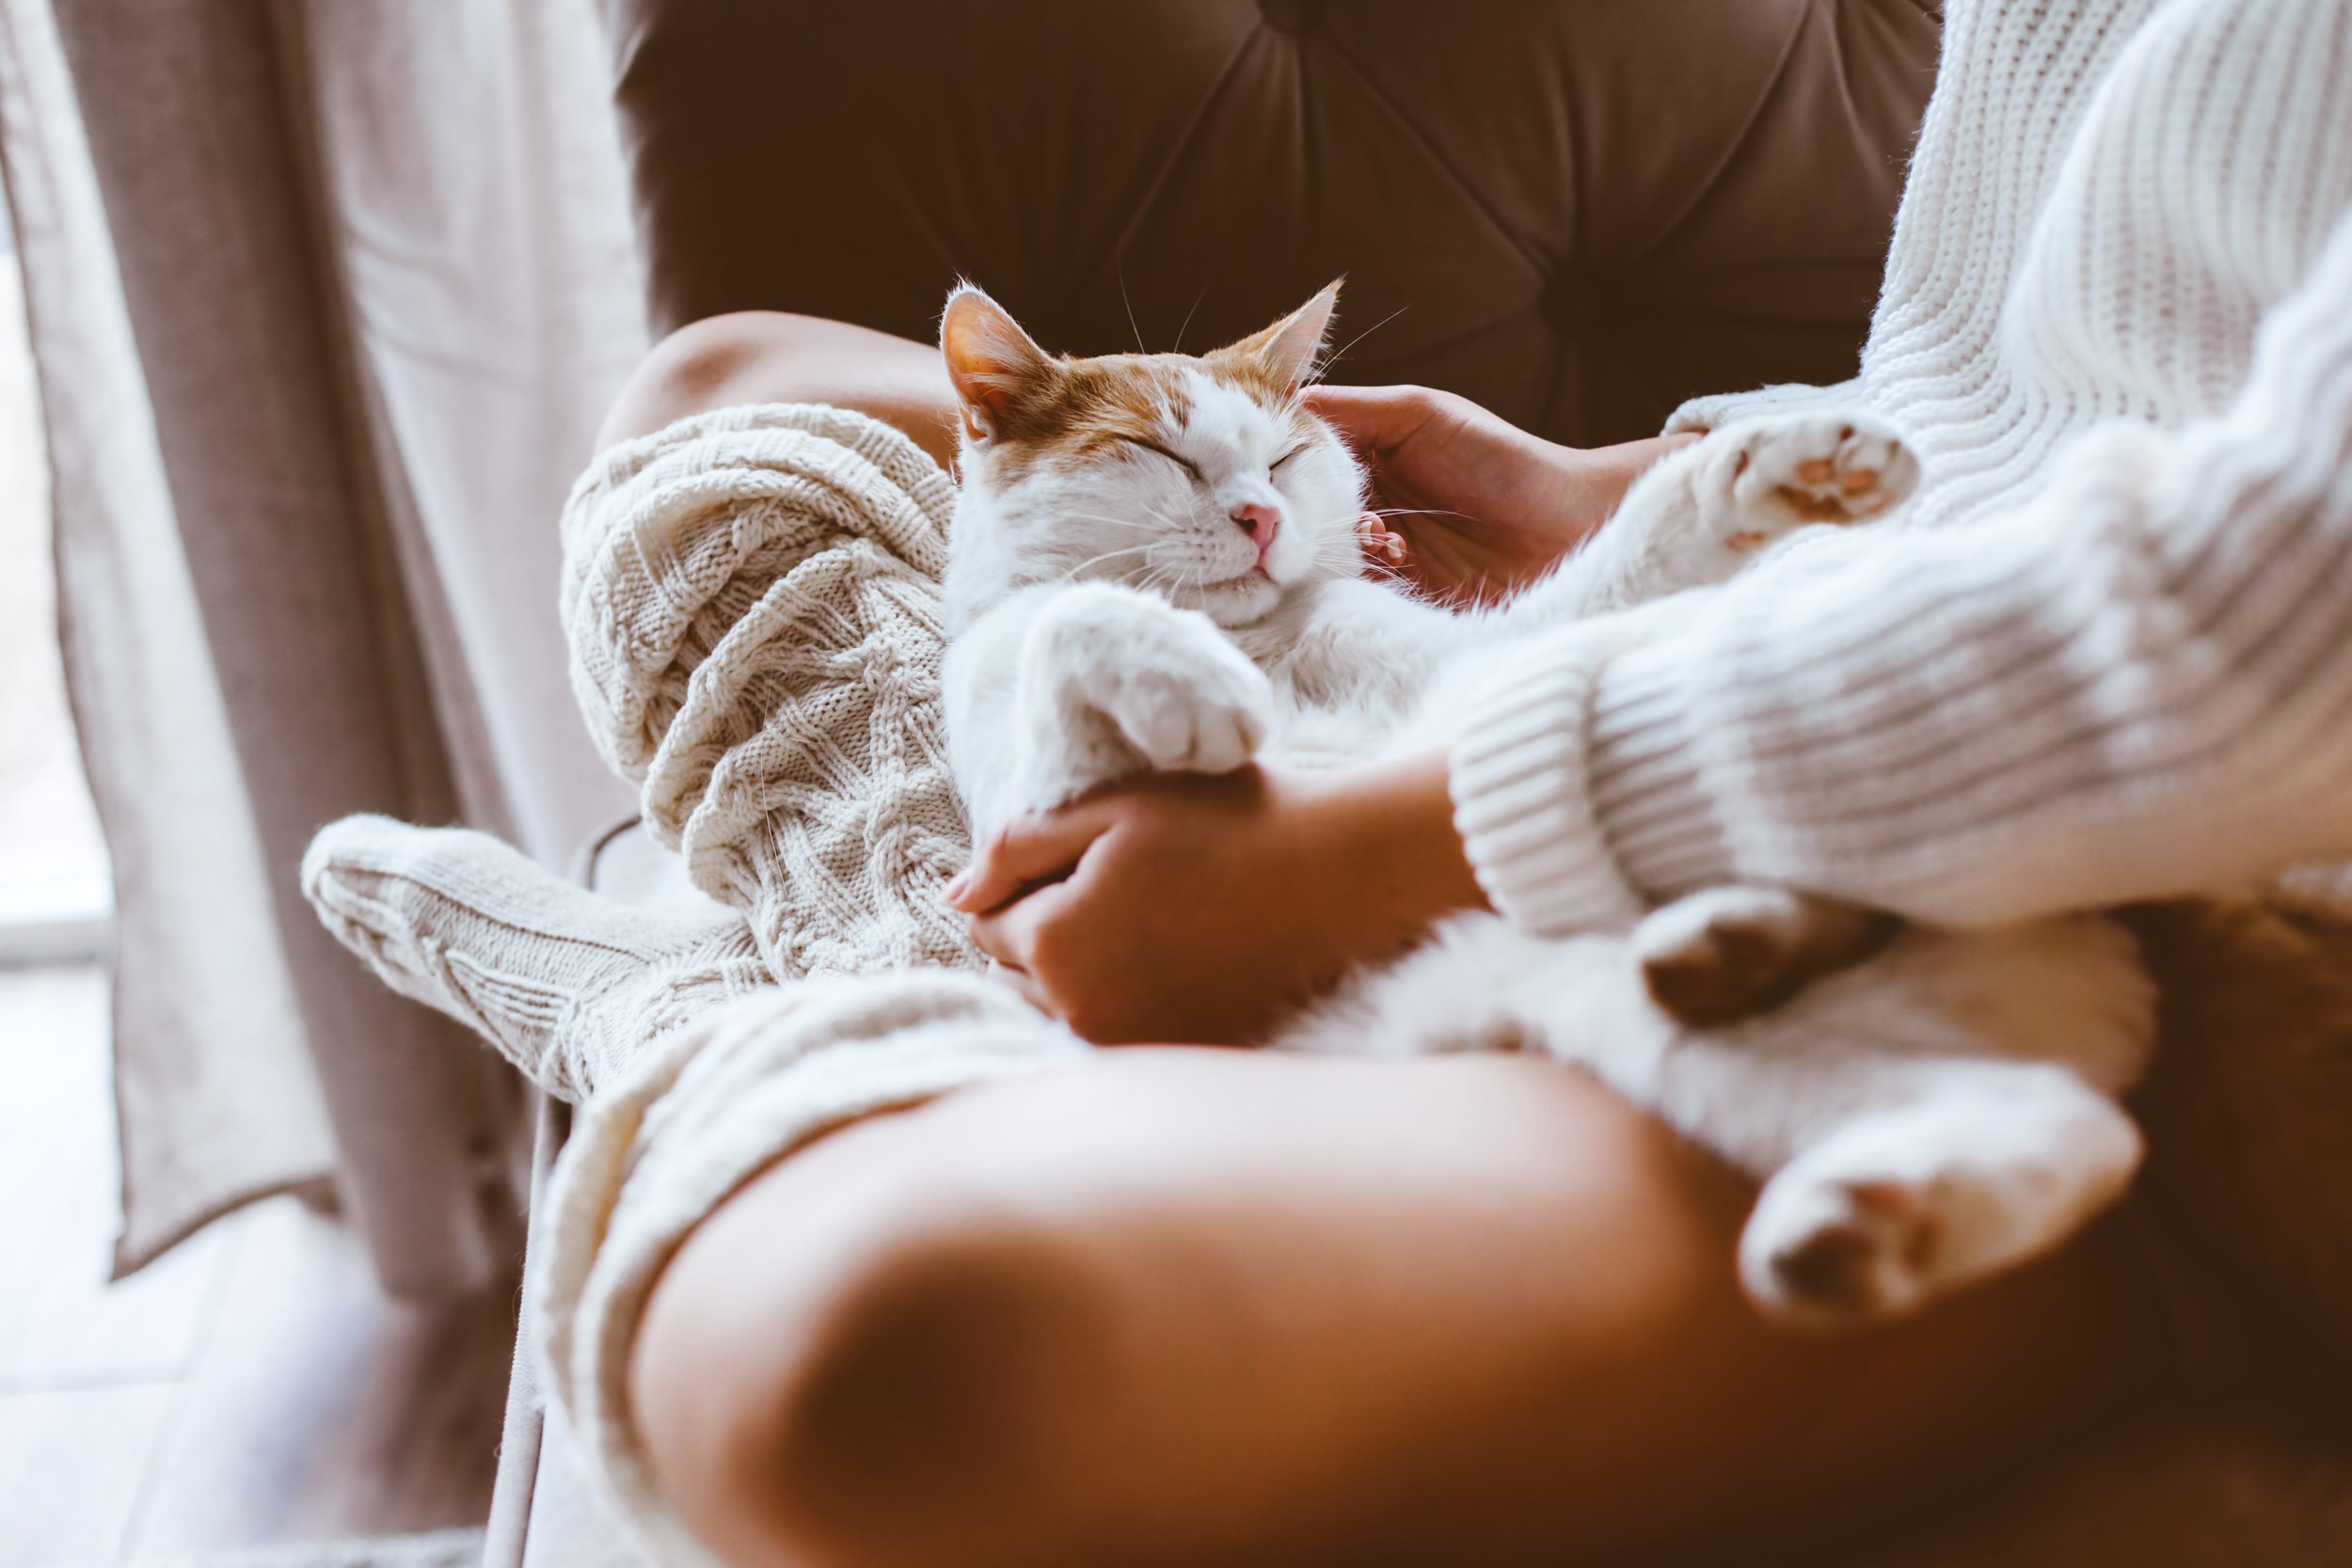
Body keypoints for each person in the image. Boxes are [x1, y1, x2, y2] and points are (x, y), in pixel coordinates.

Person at [316, 0, 2351, 1563]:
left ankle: (704, 984)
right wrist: (1625, 495)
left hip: (2210, 859)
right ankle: (896, 921)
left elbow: (2286, 605)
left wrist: (1378, 851)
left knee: (863, 1360)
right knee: (716, 394)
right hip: (1908, 616)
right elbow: (2091, 370)